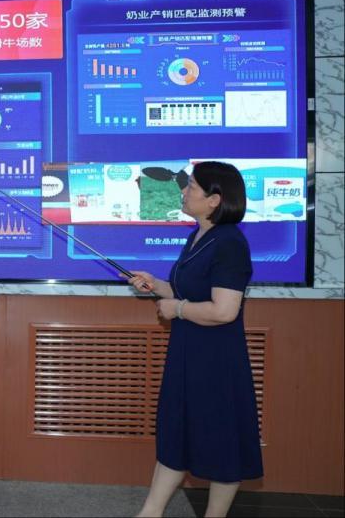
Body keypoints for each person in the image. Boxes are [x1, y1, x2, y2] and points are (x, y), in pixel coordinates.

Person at [127, 161, 262, 518]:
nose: (183, 192)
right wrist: (156, 285)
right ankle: (150, 513)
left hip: (216, 361)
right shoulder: (197, 236)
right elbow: (186, 290)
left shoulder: (230, 243)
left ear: (214, 200)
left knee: (221, 439)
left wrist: (178, 309)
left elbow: (224, 310)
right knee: (177, 433)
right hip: (187, 353)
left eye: (191, 188)